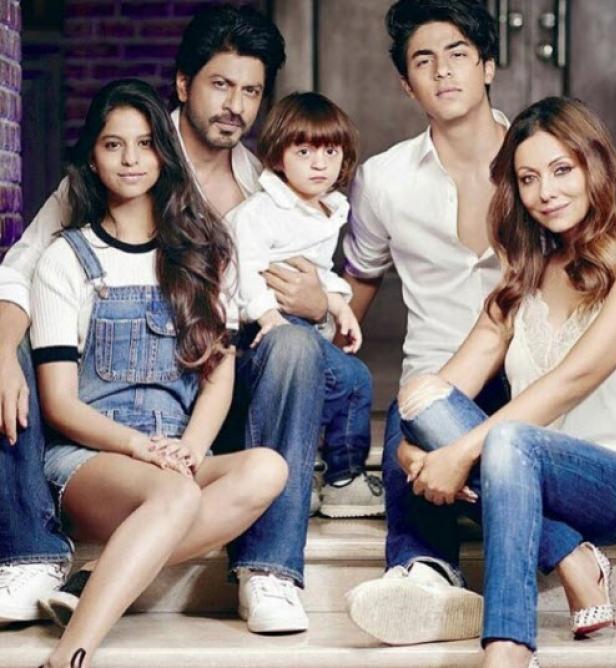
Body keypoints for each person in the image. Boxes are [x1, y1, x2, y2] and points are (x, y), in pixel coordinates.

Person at [0, 3, 323, 634]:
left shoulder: (271, 188)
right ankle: (30, 550)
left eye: (251, 91)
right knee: (8, 343)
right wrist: (3, 352)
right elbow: (20, 270)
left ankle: (269, 569)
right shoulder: (118, 164)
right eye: (220, 84)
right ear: (183, 84)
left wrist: (317, 303)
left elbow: (304, 301)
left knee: (299, 348)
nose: (234, 105)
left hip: (214, 389)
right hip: (106, 418)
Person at [393, 96, 616, 668]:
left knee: (507, 438)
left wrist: (457, 454)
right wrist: (410, 449)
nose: (546, 192)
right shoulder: (523, 277)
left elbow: (577, 377)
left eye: (562, 170)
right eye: (528, 178)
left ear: (596, 166)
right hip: (522, 477)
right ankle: (569, 554)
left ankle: (509, 647)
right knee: (421, 395)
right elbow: (435, 395)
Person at [32, 78, 288, 668]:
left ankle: (98, 575)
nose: (130, 159)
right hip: (91, 459)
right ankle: (70, 655)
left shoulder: (204, 251)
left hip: (174, 455)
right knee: (174, 492)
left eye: (145, 144)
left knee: (266, 468)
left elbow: (218, 374)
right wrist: (139, 448)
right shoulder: (66, 259)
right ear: (92, 159)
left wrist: (191, 448)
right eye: (113, 145)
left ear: (164, 154)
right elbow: (59, 404)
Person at [343, 0, 507, 644]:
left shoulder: (543, 161)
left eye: (458, 53)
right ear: (406, 84)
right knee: (413, 418)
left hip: (530, 373)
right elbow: (360, 279)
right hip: (435, 379)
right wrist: (328, 361)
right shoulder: (383, 179)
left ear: (487, 65)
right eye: (424, 60)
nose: (443, 71)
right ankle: (425, 572)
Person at [228, 91, 382, 519]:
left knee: (355, 379)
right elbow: (244, 270)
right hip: (258, 331)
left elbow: (317, 270)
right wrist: (270, 317)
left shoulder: (326, 209)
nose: (319, 164)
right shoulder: (260, 212)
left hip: (302, 325)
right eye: (304, 152)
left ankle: (343, 480)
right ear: (278, 156)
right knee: (324, 380)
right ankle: (293, 479)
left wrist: (338, 304)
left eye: (330, 152)